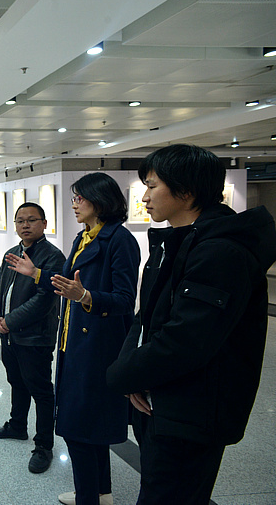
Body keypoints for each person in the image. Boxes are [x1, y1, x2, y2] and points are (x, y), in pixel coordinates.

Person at [106, 145, 276, 505]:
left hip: (193, 412)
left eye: (152, 186)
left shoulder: (221, 252)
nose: (145, 197)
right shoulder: (177, 242)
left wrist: (121, 376)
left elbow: (187, 340)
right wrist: (135, 374)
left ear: (186, 191)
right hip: (164, 401)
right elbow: (146, 317)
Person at [6, 173, 140, 505]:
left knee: (80, 429)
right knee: (88, 427)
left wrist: (86, 296)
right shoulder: (85, 237)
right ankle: (101, 492)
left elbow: (124, 299)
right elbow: (67, 282)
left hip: (98, 348)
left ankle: (87, 498)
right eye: (74, 199)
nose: (75, 205)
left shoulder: (119, 240)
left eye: (79, 198)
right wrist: (36, 273)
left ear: (100, 200)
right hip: (74, 344)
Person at [0, 202, 65, 474]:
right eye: (20, 221)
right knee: (16, 381)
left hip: (35, 337)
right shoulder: (12, 253)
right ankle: (17, 425)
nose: (25, 225)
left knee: (41, 390)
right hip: (9, 336)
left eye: (32, 220)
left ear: (44, 224)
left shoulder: (52, 257)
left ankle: (44, 445)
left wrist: (10, 321)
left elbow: (45, 300)